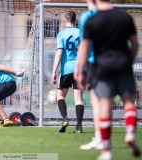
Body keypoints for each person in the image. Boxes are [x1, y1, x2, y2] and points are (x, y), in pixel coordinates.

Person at [74, 0, 141, 159]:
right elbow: (135, 44)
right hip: (123, 65)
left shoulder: (92, 20)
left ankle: (106, 151)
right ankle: (130, 133)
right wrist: (128, 60)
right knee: (129, 102)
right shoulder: (124, 17)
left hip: (102, 68)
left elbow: (84, 49)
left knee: (104, 104)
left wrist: (80, 71)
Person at [51, 10, 85, 133]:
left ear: (65, 20)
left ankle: (65, 118)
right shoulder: (81, 33)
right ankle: (79, 126)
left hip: (66, 70)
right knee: (78, 99)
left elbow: (59, 53)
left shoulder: (61, 34)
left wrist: (54, 71)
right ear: (75, 20)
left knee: (60, 96)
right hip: (80, 69)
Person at [75, 0, 103, 150]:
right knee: (121, 100)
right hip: (117, 61)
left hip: (94, 62)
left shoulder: (87, 17)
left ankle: (100, 138)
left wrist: (79, 68)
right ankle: (130, 131)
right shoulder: (117, 15)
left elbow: (84, 45)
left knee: (96, 100)